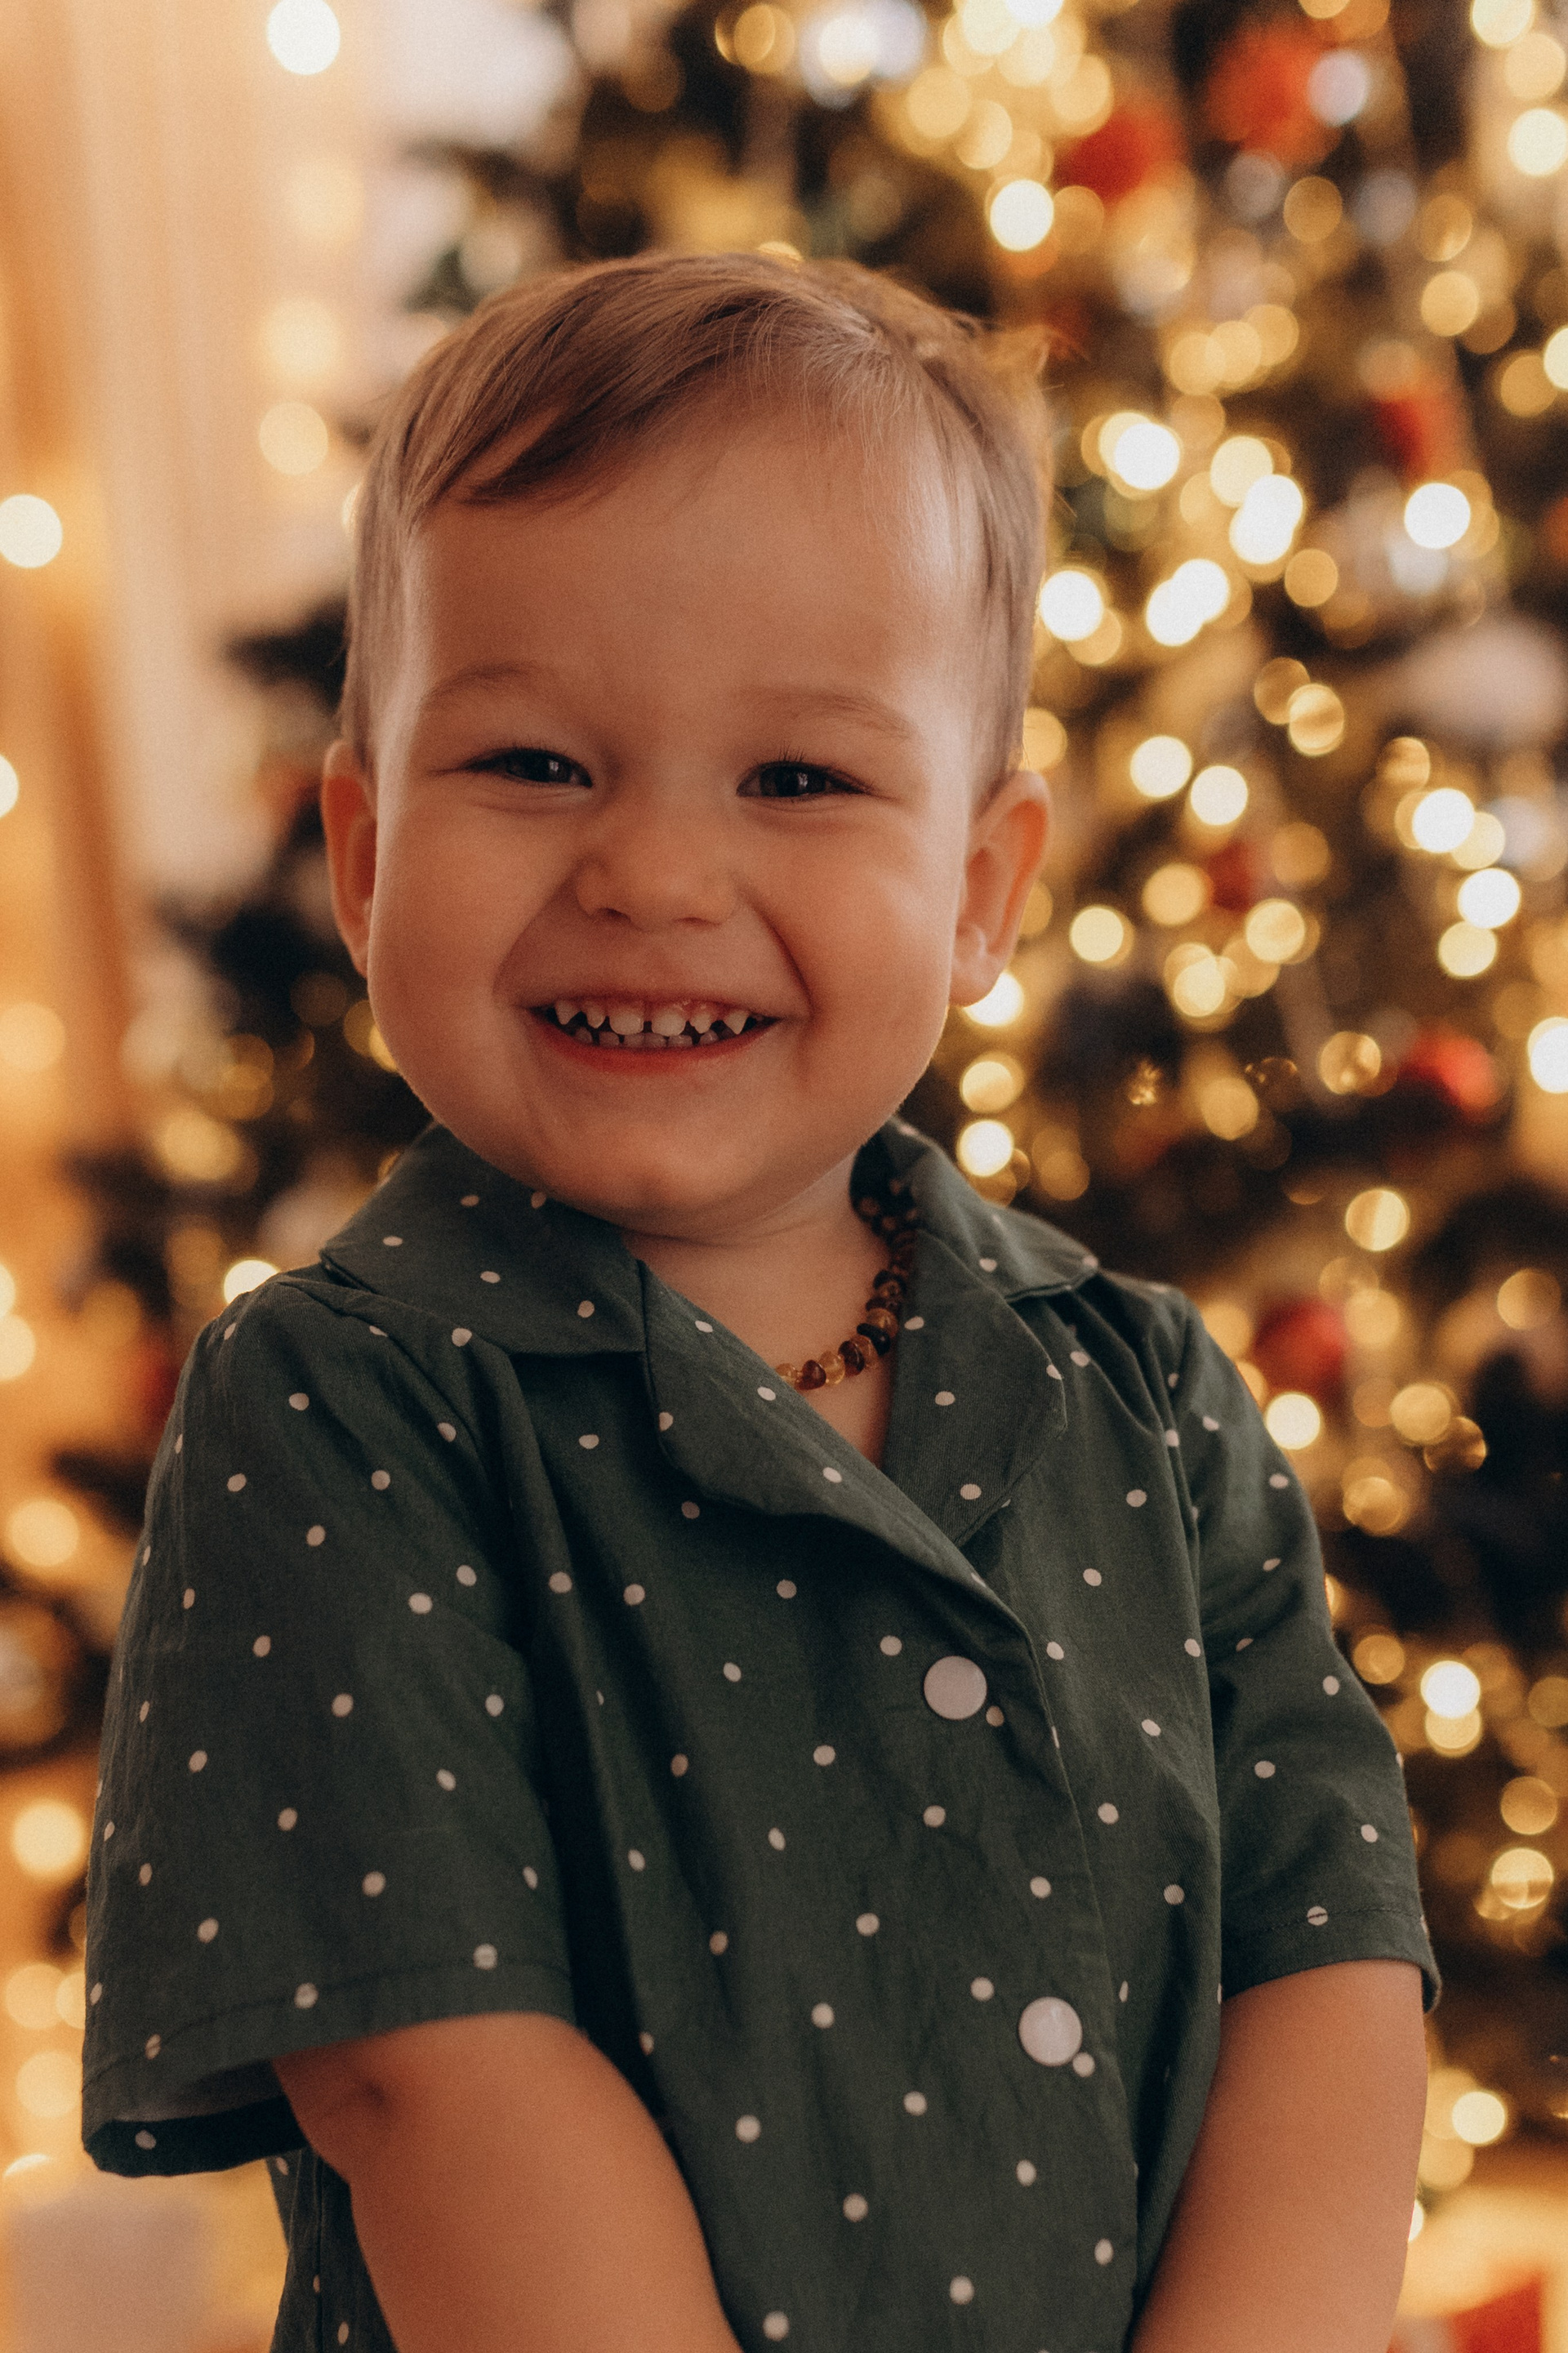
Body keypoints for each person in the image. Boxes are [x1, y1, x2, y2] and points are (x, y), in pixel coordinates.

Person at [83, 252, 1437, 2353]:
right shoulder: (346, 1404)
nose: (651, 872)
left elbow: (1328, 1960)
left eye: (797, 779)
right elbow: (431, 2073)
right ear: (359, 852)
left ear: (981, 888)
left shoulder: (1148, 1397)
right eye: (533, 762)